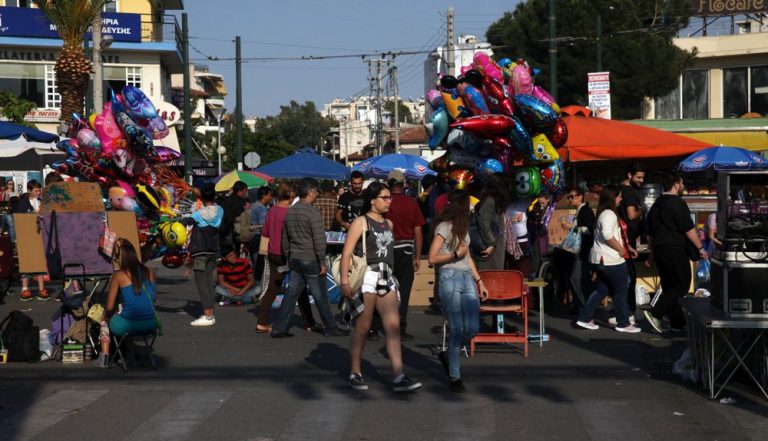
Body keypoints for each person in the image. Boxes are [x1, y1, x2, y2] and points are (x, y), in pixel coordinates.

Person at [340, 182, 422, 392]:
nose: (389, 201)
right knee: (364, 326)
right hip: (367, 274)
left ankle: (398, 374)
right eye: (384, 198)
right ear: (372, 200)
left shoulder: (390, 224)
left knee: (393, 327)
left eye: (389, 198)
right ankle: (355, 372)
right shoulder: (361, 222)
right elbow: (347, 253)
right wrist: (344, 281)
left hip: (387, 275)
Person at [270, 178, 347, 338]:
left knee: (291, 295)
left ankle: (279, 328)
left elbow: (285, 237)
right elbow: (319, 240)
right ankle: (331, 328)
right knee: (320, 296)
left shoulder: (290, 211)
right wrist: (322, 262)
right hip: (310, 258)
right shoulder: (312, 212)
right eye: (316, 192)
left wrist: (288, 256)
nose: (317, 194)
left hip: (295, 258)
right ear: (310, 192)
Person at [429, 190, 489, 393]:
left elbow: (468, 257)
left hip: (466, 279)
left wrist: (479, 280)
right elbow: (432, 258)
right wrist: (455, 254)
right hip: (449, 277)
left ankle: (448, 354)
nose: (472, 210)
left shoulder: (464, 230)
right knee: (456, 328)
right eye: (469, 206)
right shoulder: (444, 228)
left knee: (472, 328)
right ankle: (455, 377)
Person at [644, 173, 707, 333]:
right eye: (682, 183)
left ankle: (677, 322)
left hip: (659, 249)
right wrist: (700, 248)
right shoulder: (676, 203)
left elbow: (650, 234)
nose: (683, 185)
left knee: (669, 285)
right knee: (682, 283)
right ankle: (655, 313)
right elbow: (688, 228)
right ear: (676, 185)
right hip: (674, 248)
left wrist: (652, 254)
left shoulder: (656, 204)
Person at [576, 185, 641, 333]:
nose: (621, 199)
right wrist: (620, 249)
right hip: (610, 259)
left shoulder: (605, 213)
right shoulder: (609, 214)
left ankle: (585, 317)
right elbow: (606, 235)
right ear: (613, 198)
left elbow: (610, 234)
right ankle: (623, 322)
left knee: (602, 289)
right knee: (620, 289)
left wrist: (626, 247)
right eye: (619, 197)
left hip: (602, 258)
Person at [384, 169, 425, 341]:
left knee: (383, 288)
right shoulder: (412, 202)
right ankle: (401, 326)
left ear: (389, 184)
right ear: (403, 184)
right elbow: (418, 232)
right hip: (407, 249)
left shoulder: (384, 202)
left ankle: (380, 324)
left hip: (386, 249)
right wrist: (417, 257)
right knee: (405, 290)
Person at [102, 238, 157, 366]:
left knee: (105, 319)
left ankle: (104, 357)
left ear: (119, 259)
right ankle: (131, 354)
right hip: (150, 324)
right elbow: (153, 299)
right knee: (127, 314)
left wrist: (106, 315)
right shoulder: (150, 271)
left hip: (128, 326)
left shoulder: (119, 276)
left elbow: (109, 306)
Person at [181, 183, 223, 327]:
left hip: (200, 253)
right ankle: (210, 312)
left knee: (201, 283)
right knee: (208, 283)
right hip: (212, 251)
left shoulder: (199, 214)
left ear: (202, 197)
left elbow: (187, 221)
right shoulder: (220, 210)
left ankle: (207, 315)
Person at [256, 182, 295, 333]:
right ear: (290, 195)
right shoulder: (289, 213)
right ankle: (263, 321)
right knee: (281, 288)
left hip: (272, 252)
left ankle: (263, 320)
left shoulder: (272, 210)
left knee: (274, 286)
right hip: (285, 253)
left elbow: (265, 232)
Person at [561, 186, 596, 309]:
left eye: (572, 196)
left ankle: (585, 307)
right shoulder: (581, 211)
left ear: (580, 196)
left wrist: (572, 227)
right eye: (568, 197)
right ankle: (581, 306)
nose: (570, 199)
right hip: (580, 250)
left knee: (576, 279)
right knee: (582, 279)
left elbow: (590, 230)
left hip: (584, 251)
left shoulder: (585, 210)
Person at [618, 162, 645, 315]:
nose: (641, 181)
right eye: (639, 177)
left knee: (624, 277)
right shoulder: (628, 191)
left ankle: (623, 310)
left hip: (624, 238)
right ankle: (628, 312)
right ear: (630, 175)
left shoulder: (621, 189)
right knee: (630, 277)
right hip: (627, 240)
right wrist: (642, 210)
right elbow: (631, 214)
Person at [16, 180, 48, 301]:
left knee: (39, 262)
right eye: (36, 191)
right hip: (26, 236)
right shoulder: (23, 203)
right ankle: (25, 289)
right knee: (26, 261)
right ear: (29, 191)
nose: (38, 192)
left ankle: (41, 289)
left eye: (40, 190)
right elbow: (20, 219)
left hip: (39, 235)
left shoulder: (42, 202)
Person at [472, 177, 506, 270]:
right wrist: (491, 244)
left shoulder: (494, 199)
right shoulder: (490, 200)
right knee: (489, 275)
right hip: (489, 247)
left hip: (494, 244)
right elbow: (484, 223)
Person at [504, 197, 533, 277]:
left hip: (523, 242)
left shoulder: (523, 201)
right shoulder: (504, 205)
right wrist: (512, 220)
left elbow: (534, 196)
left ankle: (525, 289)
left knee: (523, 268)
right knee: (512, 268)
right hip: (509, 242)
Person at [249, 186, 273, 281]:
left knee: (255, 262)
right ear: (264, 196)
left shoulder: (253, 205)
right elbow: (264, 227)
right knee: (260, 263)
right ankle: (257, 284)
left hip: (252, 237)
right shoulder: (262, 208)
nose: (271, 198)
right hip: (261, 239)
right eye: (269, 195)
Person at [219, 181, 249, 249]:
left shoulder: (226, 200)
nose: (246, 193)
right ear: (239, 192)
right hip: (234, 233)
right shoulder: (241, 202)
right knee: (235, 255)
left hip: (224, 232)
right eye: (245, 191)